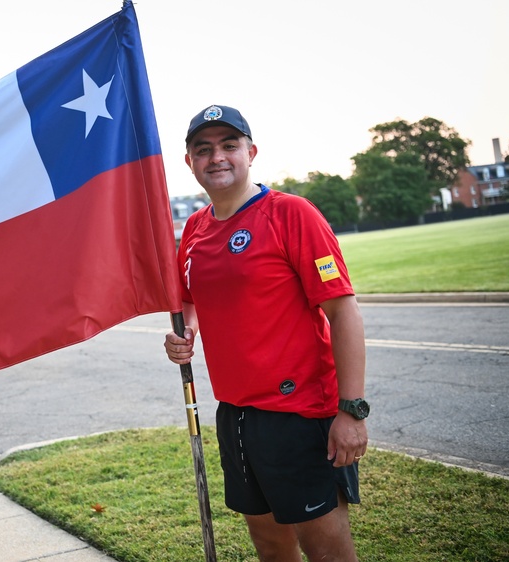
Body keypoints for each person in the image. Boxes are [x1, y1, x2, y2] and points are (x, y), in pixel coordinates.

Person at [164, 105, 369, 561]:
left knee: (326, 550)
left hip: (299, 414)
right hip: (235, 412)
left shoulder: (291, 213)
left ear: (251, 153)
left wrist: (352, 411)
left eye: (229, 145)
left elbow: (343, 312)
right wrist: (187, 332)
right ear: (190, 162)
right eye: (204, 149)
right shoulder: (195, 228)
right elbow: (189, 297)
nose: (217, 157)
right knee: (270, 544)